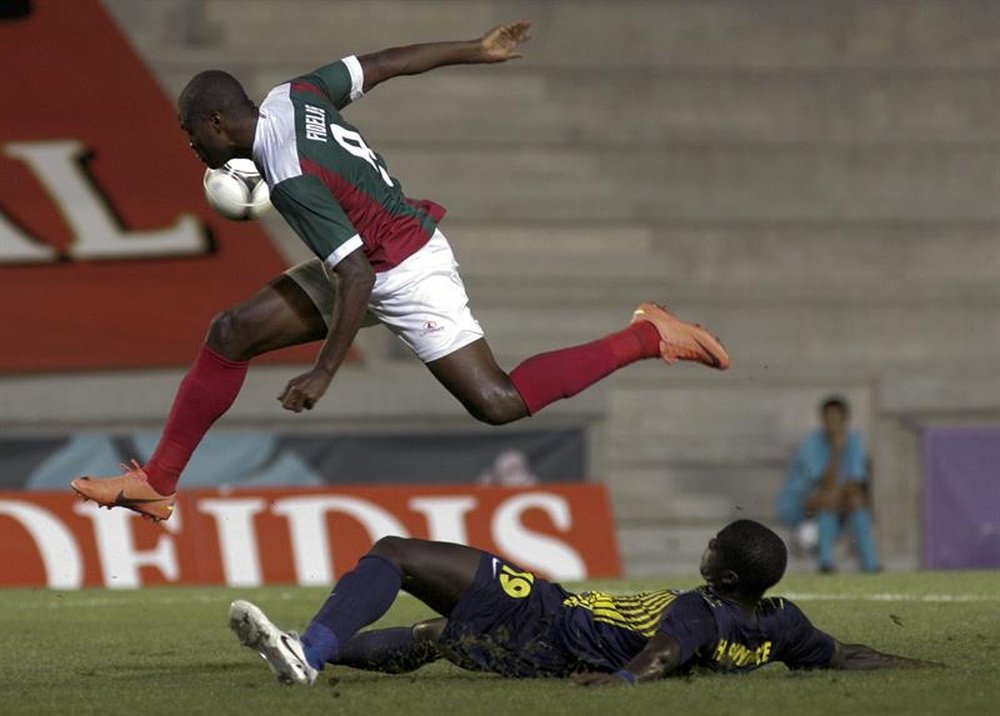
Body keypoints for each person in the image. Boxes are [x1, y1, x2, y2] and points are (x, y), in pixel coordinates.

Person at [70, 20, 729, 522]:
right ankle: (158, 484)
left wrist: (323, 372)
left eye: (191, 133)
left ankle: (649, 334)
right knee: (231, 332)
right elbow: (382, 65)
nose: (192, 147)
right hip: (365, 251)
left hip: (405, 269)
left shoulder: (292, 172)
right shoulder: (293, 96)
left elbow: (357, 277)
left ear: (217, 121)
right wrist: (477, 48)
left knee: (498, 403)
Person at [227, 519, 934, 687]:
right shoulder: (780, 626)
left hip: (547, 616)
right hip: (542, 652)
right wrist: (916, 665)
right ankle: (297, 647)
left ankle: (309, 650)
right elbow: (844, 654)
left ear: (720, 576)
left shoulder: (698, 610)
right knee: (435, 634)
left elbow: (668, 648)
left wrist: (622, 679)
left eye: (715, 546)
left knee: (395, 553)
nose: (708, 547)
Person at [776, 395, 880, 573]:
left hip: (835, 499)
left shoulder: (854, 441)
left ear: (845, 419)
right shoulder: (811, 444)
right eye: (828, 419)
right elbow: (824, 483)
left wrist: (850, 493)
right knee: (829, 499)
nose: (832, 424)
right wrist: (837, 451)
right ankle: (826, 563)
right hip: (801, 504)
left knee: (854, 499)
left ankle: (870, 565)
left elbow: (856, 481)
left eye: (837, 419)